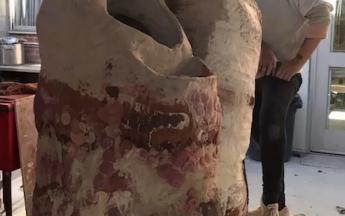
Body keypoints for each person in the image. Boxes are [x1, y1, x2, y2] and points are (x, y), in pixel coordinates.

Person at [249, 0, 333, 215]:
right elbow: (242, 21)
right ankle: (280, 206)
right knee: (258, 135)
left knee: (271, 127)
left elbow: (322, 14)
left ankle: (270, 205)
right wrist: (261, 46)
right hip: (251, 69)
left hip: (284, 72)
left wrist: (297, 61)